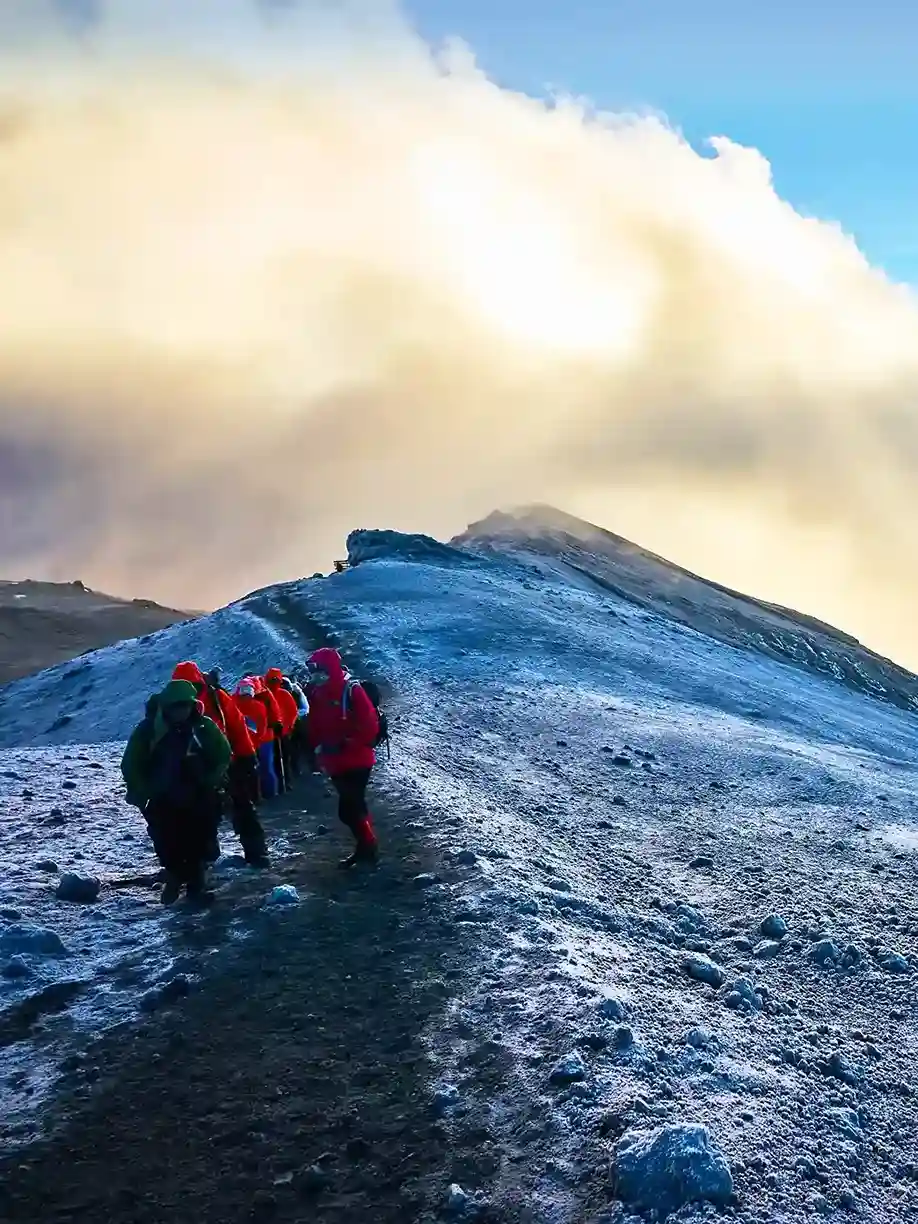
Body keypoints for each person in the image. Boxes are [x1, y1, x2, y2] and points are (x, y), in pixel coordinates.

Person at [121, 678, 231, 904]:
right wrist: (142, 792)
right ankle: (175, 877)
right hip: (163, 797)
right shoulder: (148, 730)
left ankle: (195, 883)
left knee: (201, 838)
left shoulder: (203, 727)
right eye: (176, 706)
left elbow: (222, 754)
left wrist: (211, 780)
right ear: (166, 706)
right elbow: (131, 763)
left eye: (185, 705)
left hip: (199, 793)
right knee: (168, 841)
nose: (181, 711)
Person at [171, 661, 269, 867]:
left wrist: (248, 755)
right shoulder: (184, 703)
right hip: (198, 769)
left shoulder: (216, 698)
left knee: (239, 808)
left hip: (226, 763)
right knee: (207, 814)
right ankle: (210, 856)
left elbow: (237, 726)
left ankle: (254, 852)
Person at [305, 647, 380, 867]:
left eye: (318, 670)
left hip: (357, 759)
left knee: (349, 807)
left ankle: (368, 846)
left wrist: (346, 743)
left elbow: (370, 726)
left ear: (330, 668)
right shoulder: (318, 693)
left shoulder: (352, 691)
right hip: (335, 760)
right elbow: (316, 724)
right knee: (353, 807)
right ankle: (365, 847)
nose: (315, 675)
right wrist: (315, 746)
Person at [234, 677, 278, 800]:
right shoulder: (262, 702)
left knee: (257, 769)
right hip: (263, 739)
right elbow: (264, 724)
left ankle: (258, 796)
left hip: (250, 742)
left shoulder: (235, 704)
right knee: (266, 767)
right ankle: (269, 794)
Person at [265, 668, 299, 791]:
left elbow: (293, 712)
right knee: (272, 761)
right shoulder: (264, 695)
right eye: (271, 679)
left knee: (284, 758)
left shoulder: (284, 694)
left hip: (283, 733)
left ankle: (286, 781)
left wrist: (288, 726)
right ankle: (276, 784)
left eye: (276, 679)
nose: (273, 682)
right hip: (269, 734)